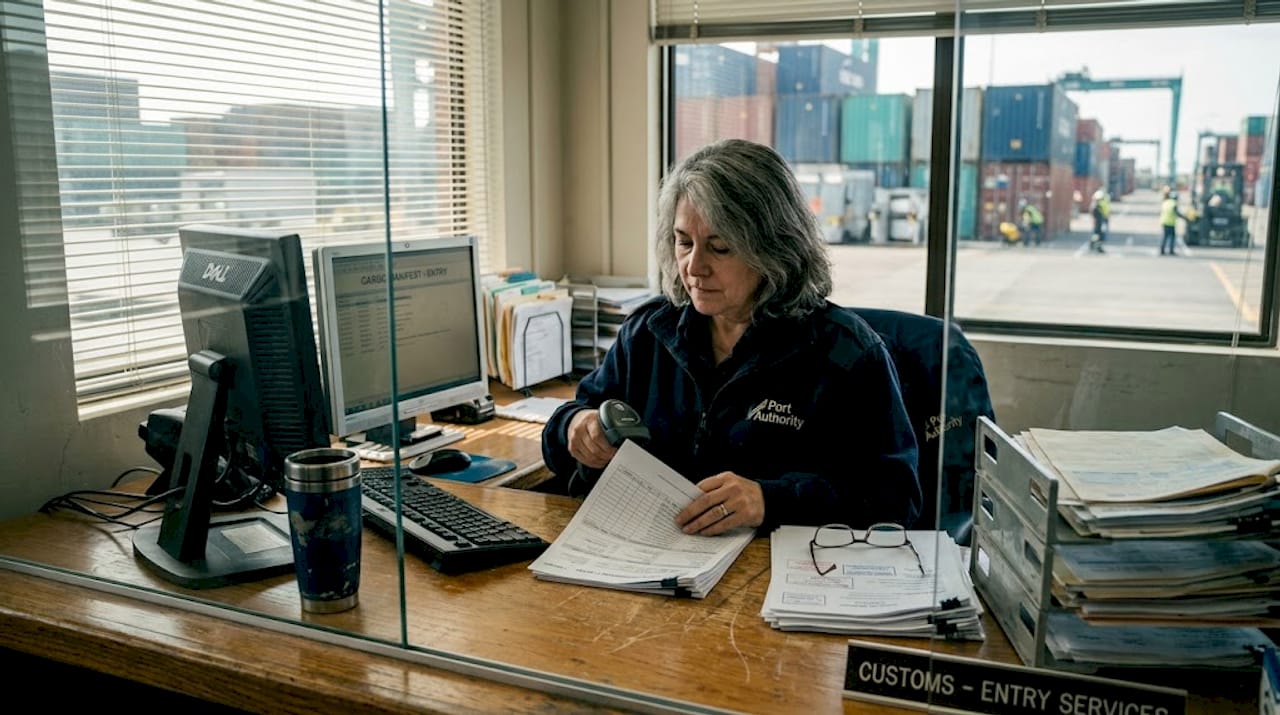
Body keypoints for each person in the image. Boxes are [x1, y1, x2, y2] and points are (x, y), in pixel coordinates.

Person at [541, 139, 921, 536]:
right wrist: (574, 427)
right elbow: (567, 427)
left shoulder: (847, 354)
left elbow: (897, 500)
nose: (694, 267)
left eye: (720, 248)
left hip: (769, 562)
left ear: (773, 249)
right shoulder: (648, 332)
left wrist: (769, 500)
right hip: (649, 552)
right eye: (684, 242)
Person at [1160, 188, 1187, 256]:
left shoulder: (1165, 202)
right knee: (1172, 237)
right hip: (1170, 222)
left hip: (1164, 221)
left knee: (1165, 236)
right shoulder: (1173, 203)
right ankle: (1171, 250)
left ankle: (1162, 250)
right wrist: (1184, 217)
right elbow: (1176, 213)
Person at [1089, 189, 1110, 254]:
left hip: (1103, 219)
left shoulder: (1102, 202)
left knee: (1098, 233)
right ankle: (1097, 246)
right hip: (1100, 221)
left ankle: (1094, 245)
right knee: (1100, 234)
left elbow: (1106, 210)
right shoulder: (1096, 205)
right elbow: (1093, 213)